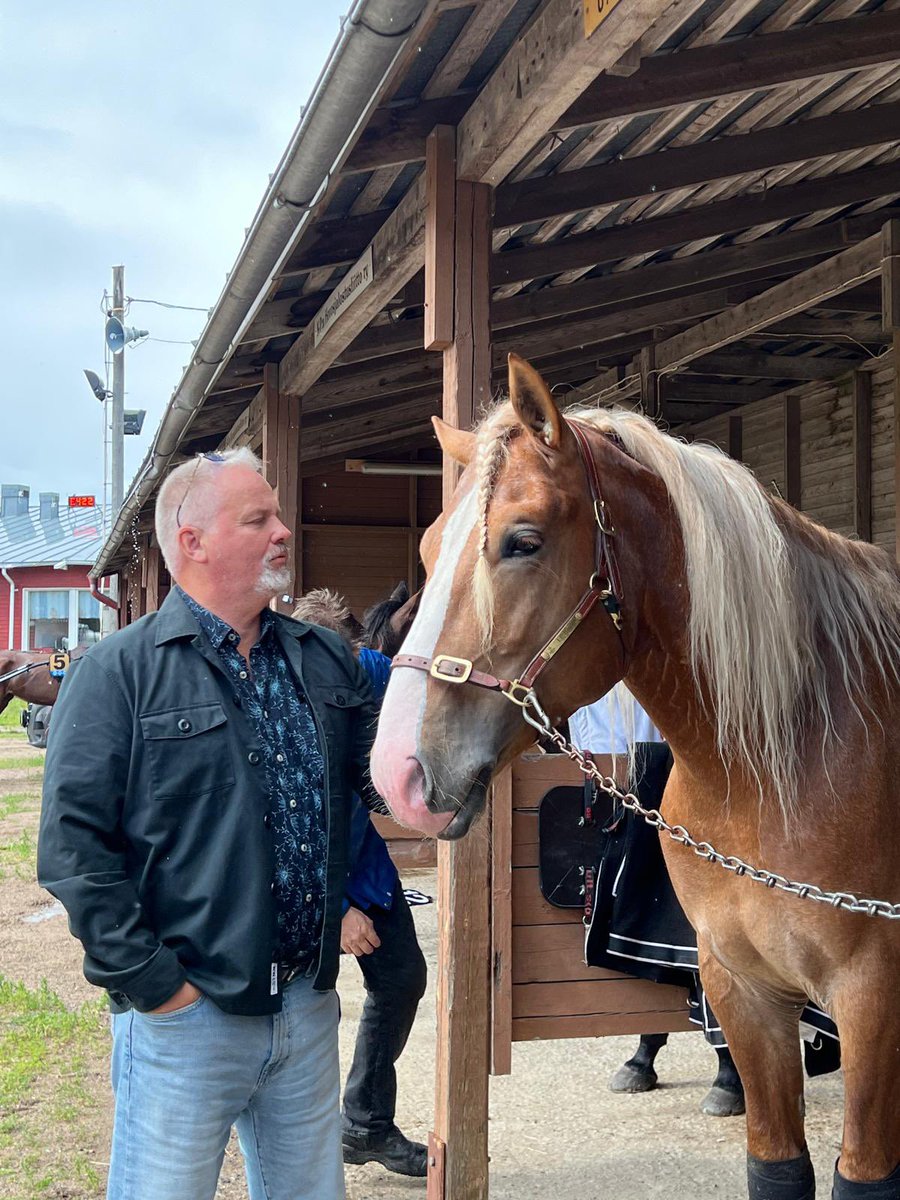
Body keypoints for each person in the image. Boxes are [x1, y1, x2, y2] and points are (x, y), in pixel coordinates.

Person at [37, 448, 380, 1200]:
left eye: (279, 515)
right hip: (187, 1019)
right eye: (259, 519)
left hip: (306, 1005)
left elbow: (380, 784)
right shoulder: (118, 672)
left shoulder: (321, 657)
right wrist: (157, 988)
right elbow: (72, 850)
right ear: (191, 541)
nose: (284, 531)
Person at [291, 588, 428, 1179]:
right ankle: (298, 1142)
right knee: (299, 1011)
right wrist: (337, 908)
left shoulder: (360, 668)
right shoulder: (287, 706)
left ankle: (366, 1123)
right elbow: (288, 823)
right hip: (308, 889)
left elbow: (399, 661)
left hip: (368, 870)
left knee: (401, 980)